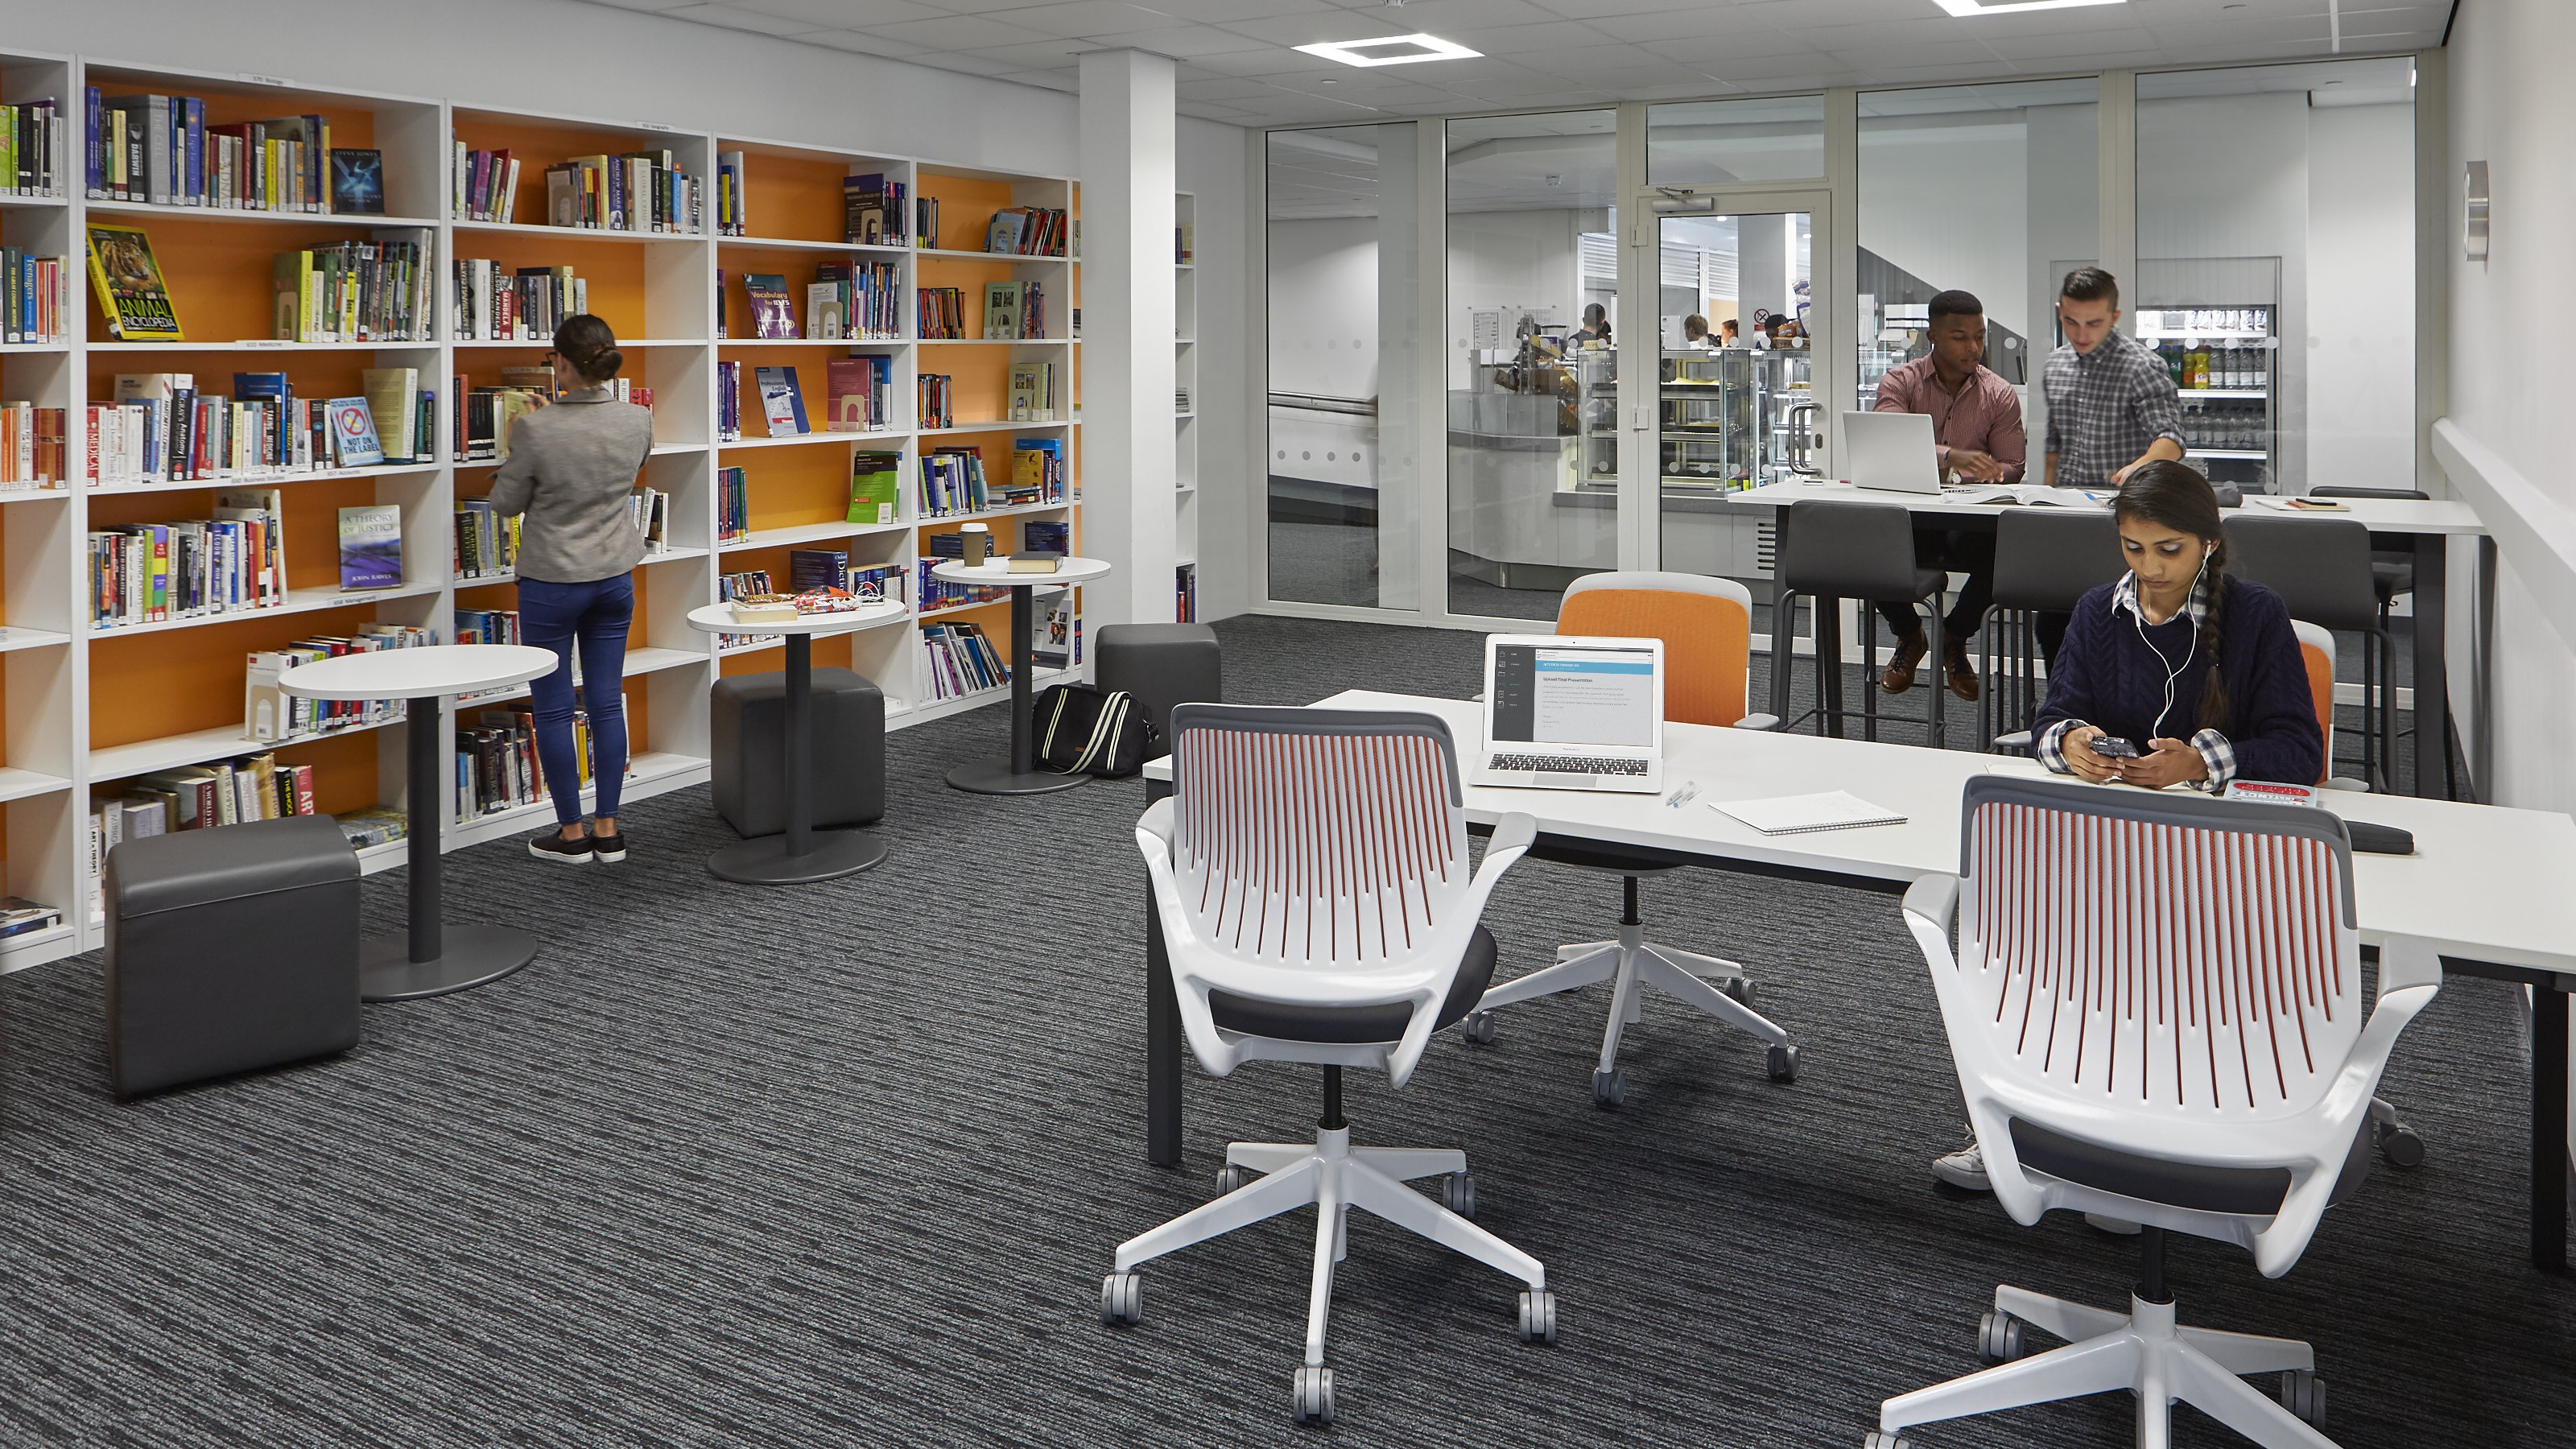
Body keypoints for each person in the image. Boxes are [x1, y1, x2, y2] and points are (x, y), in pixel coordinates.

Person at [1930, 460, 2324, 1193]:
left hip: (2220, 857)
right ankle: (2015, 1123)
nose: (2150, 569)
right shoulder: (2095, 613)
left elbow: (2300, 753)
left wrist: (2198, 763)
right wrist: (2073, 742)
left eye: (2169, 550)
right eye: (2133, 549)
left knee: (2145, 961)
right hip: (2111, 843)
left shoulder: (2256, 615)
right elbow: (2050, 722)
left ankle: (2169, 1131)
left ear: (2209, 541)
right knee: (2022, 938)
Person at [487, 315, 654, 865]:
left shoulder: (535, 428)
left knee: (555, 710)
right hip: (614, 578)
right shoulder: (637, 418)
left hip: (553, 583)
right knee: (607, 703)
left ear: (560, 363)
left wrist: (530, 438)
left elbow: (505, 503)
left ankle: (571, 833)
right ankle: (609, 830)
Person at [1869, 289, 2027, 703]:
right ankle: (1910, 635)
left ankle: (1953, 637)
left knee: (2007, 555)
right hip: (1909, 520)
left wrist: (1992, 472)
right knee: (1870, 545)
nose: (1973, 347)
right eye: (1960, 337)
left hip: (1967, 522)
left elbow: (2013, 465)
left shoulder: (1999, 393)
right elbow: (1888, 439)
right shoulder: (1900, 382)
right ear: (1932, 336)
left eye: (1979, 336)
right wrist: (1952, 457)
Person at [2036, 266, 2186, 661]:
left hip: (2125, 517)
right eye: (2070, 321)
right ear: (2060, 311)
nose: (2081, 333)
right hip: (2066, 515)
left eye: (2094, 323)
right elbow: (2055, 441)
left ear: (2115, 317)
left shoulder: (2142, 366)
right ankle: (2065, 711)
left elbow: (2171, 437)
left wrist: (2143, 465)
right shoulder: (2055, 365)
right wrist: (2044, 495)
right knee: (2053, 621)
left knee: (2115, 623)